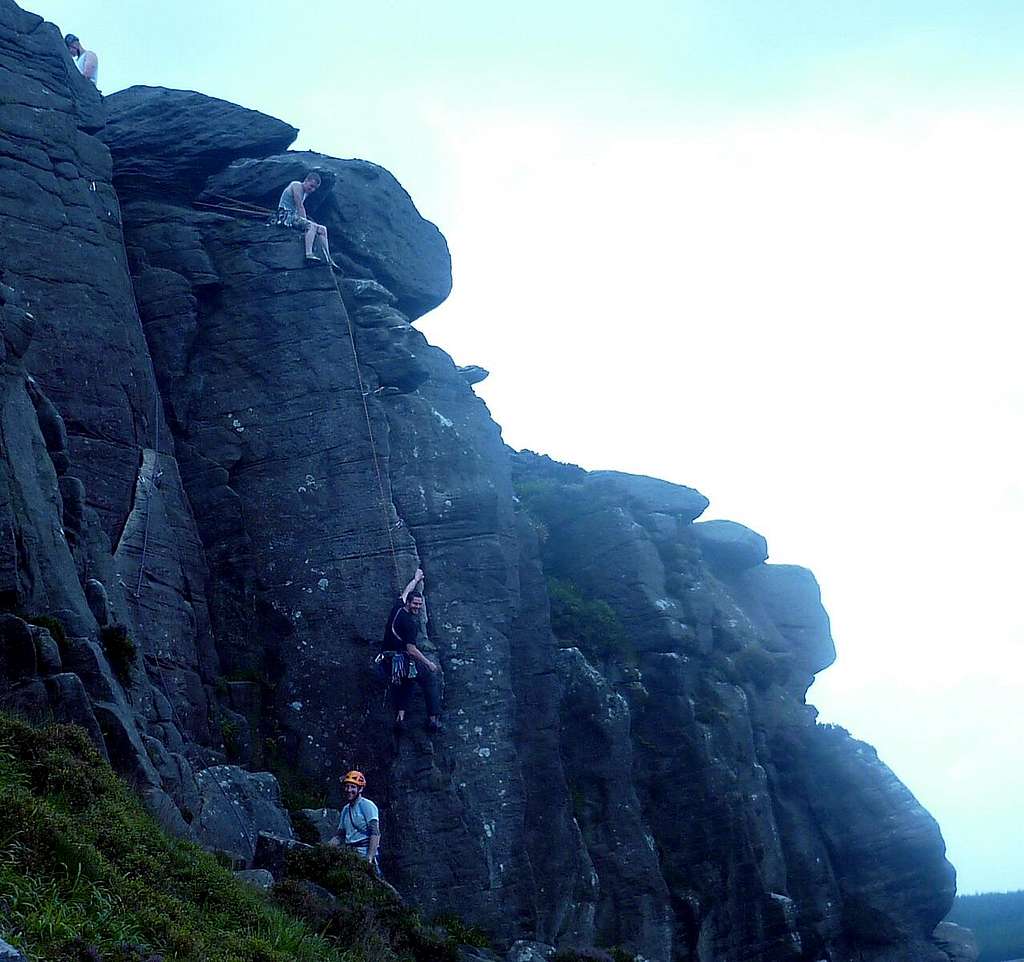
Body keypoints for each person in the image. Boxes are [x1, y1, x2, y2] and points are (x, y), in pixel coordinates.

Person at [378, 568, 442, 733]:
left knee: (409, 681)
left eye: (420, 604)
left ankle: (400, 718)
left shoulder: (397, 609)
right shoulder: (410, 624)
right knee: (429, 677)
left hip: (387, 661)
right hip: (399, 662)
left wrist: (416, 579)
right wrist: (429, 663)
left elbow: (406, 592)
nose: (417, 607)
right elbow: (411, 649)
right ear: (409, 604)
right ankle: (433, 719)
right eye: (415, 604)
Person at [274, 172, 341, 270]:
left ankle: (328, 258)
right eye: (311, 186)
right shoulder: (296, 185)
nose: (312, 190)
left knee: (323, 229)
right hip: (284, 216)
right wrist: (306, 223)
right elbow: (299, 205)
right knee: (311, 226)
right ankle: (309, 254)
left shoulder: (305, 193)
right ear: (306, 180)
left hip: (293, 216)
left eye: (315, 188)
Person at [327, 771, 381, 875]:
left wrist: (369, 858)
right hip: (350, 853)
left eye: (353, 787)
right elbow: (340, 836)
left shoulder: (367, 806)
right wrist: (326, 847)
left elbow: (375, 833)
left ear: (360, 789)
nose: (349, 790)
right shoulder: (346, 810)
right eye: (347, 787)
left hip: (364, 853)